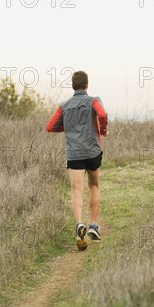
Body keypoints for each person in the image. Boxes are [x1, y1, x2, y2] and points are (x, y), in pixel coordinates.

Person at [46, 70, 108, 250]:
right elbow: (102, 115)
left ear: (73, 86)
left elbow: (50, 127)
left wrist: (70, 129)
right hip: (93, 151)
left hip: (74, 154)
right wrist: (103, 130)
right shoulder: (94, 100)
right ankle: (94, 225)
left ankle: (79, 223)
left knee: (76, 189)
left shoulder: (64, 105)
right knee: (94, 186)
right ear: (86, 85)